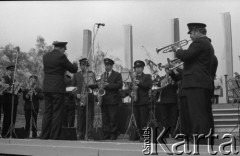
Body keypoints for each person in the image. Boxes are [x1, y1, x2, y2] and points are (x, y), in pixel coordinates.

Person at [172, 23, 215, 144]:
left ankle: (201, 139)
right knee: (203, 112)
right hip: (201, 82)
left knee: (197, 113)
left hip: (196, 83)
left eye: (191, 33)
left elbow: (186, 56)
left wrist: (177, 50)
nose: (190, 36)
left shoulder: (199, 42)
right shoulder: (206, 43)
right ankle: (206, 137)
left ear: (196, 31)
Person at [40, 41, 78, 140]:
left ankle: (44, 135)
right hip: (57, 89)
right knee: (57, 112)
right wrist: (75, 64)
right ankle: (54, 136)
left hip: (47, 88)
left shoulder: (45, 56)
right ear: (61, 48)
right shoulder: (61, 57)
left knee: (47, 112)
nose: (64, 51)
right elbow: (73, 69)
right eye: (64, 49)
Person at [71, 58, 96, 140]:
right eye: (82, 65)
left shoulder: (91, 74)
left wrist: (90, 87)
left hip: (89, 98)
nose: (83, 66)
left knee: (89, 117)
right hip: (80, 99)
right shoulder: (76, 75)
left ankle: (89, 134)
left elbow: (94, 86)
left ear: (87, 65)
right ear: (80, 65)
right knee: (80, 117)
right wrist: (76, 94)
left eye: (85, 65)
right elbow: (72, 87)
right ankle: (80, 133)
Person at [101, 58, 122, 140]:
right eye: (105, 65)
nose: (106, 67)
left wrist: (108, 85)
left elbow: (119, 85)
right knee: (105, 118)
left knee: (113, 118)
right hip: (104, 99)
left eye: (108, 65)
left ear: (112, 66)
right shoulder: (103, 75)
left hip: (113, 99)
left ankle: (114, 133)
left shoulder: (117, 74)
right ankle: (106, 133)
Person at [132, 60, 152, 140]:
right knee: (137, 120)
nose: (137, 69)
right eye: (136, 68)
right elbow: (128, 88)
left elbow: (148, 85)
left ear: (143, 68)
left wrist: (139, 83)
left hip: (143, 101)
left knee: (144, 120)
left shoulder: (147, 76)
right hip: (135, 101)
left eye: (139, 67)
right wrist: (131, 92)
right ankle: (138, 135)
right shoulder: (132, 77)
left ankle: (145, 136)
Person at [156, 68, 178, 138]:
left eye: (169, 70)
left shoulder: (175, 78)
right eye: (167, 70)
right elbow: (159, 87)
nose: (168, 71)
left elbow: (177, 86)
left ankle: (173, 132)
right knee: (164, 117)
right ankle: (165, 132)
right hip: (163, 100)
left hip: (173, 100)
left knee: (173, 117)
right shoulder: (162, 78)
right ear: (165, 70)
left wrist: (172, 82)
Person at [1, 65, 21, 138]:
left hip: (14, 101)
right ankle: (4, 133)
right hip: (7, 100)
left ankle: (11, 132)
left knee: (13, 117)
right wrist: (11, 85)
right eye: (11, 70)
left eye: (13, 70)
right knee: (7, 117)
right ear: (7, 71)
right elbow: (3, 87)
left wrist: (19, 86)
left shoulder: (14, 79)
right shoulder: (4, 78)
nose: (12, 72)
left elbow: (19, 90)